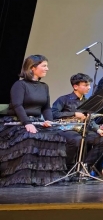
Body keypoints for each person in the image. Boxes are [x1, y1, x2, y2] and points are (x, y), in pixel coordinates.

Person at [0, 55, 67, 186]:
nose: (47, 69)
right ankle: (23, 178)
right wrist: (27, 123)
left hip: (35, 121)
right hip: (17, 121)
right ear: (32, 68)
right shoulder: (20, 85)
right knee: (29, 137)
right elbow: (17, 105)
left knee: (57, 136)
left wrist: (49, 121)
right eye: (44, 66)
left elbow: (46, 108)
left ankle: (44, 179)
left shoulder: (44, 86)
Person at [51, 73, 103, 171]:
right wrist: (74, 114)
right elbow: (53, 114)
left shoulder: (88, 102)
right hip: (66, 129)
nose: (89, 87)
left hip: (82, 130)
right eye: (86, 85)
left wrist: (97, 129)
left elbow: (89, 119)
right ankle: (67, 168)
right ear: (75, 86)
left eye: (89, 85)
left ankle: (85, 166)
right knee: (76, 139)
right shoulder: (63, 99)